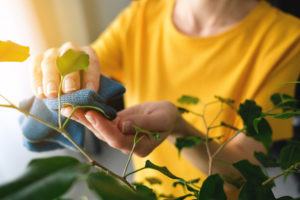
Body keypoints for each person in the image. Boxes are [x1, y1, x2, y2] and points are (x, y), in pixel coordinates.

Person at [30, 0, 300, 199]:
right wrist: (66, 68)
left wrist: (180, 129)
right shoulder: (144, 12)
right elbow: (88, 68)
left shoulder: (287, 38)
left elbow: (244, 172)